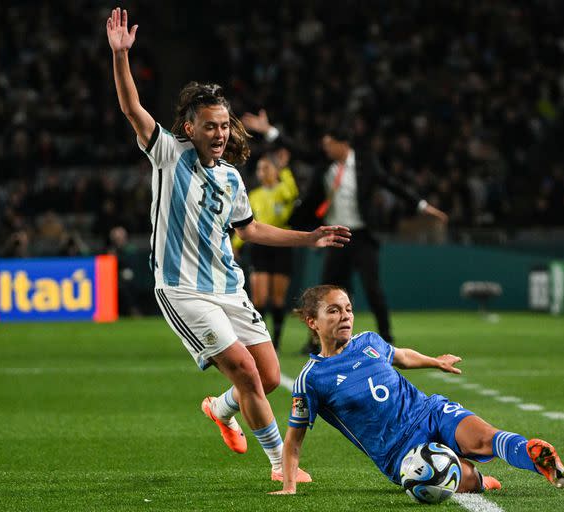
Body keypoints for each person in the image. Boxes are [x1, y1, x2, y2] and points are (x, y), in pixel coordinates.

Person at [105, 8, 351, 481]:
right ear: (190, 128)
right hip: (182, 289)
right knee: (245, 370)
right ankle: (282, 465)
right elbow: (132, 108)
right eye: (210, 126)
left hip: (228, 287)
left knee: (272, 376)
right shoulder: (167, 154)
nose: (219, 133)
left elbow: (252, 230)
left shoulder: (232, 179)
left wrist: (310, 237)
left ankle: (220, 409)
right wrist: (121, 58)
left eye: (223, 126)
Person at [270, 285, 564, 495]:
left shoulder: (370, 342)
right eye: (333, 311)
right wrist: (289, 486)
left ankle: (536, 457)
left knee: (484, 438)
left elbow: (401, 356)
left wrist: (435, 362)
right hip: (401, 452)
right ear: (313, 322)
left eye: (348, 309)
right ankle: (479, 480)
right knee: (458, 479)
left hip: (429, 411)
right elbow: (294, 441)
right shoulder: (311, 379)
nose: (346, 316)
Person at [242, 110, 448, 351]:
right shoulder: (325, 162)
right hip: (335, 236)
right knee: (326, 291)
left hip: (361, 235)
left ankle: (387, 338)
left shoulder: (365, 163)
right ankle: (316, 341)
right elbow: (299, 151)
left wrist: (422, 206)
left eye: (330, 144)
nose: (326, 149)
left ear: (343, 144)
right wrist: (269, 131)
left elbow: (392, 184)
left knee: (373, 288)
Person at [232, 153, 299, 350]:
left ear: (275, 171)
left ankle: (276, 342)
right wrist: (236, 243)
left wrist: (284, 169)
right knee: (259, 298)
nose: (262, 173)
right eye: (260, 169)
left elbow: (292, 193)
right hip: (259, 246)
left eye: (266, 168)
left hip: (281, 245)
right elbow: (245, 223)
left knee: (278, 299)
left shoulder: (283, 190)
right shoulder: (254, 195)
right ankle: (260, 341)